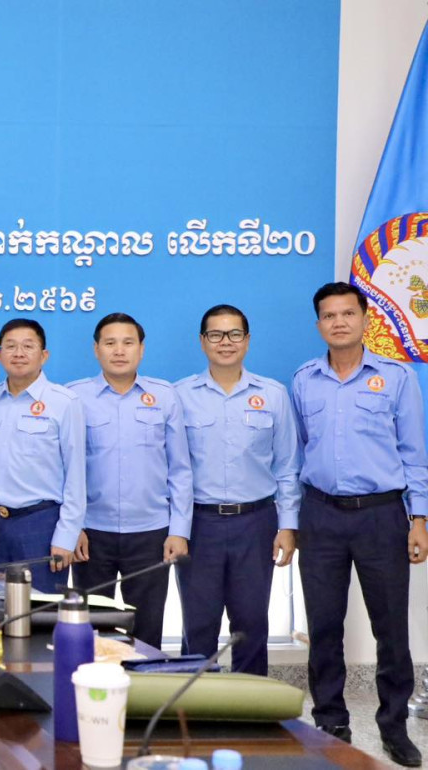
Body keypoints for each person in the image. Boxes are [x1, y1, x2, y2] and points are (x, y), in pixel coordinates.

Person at [291, 282, 427, 767]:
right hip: (320, 514)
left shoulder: (396, 377)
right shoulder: (304, 380)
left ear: (365, 319)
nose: (339, 322)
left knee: (390, 626)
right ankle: (331, 720)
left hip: (382, 515)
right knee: (324, 624)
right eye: (329, 316)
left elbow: (414, 453)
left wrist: (420, 518)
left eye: (348, 313)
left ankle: (393, 726)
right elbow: (299, 452)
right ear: (319, 325)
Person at [173, 304, 299, 676]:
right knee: (198, 623)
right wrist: (176, 529)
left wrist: (288, 525)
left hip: (256, 522)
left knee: (251, 623)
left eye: (234, 334)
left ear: (247, 340)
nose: (225, 342)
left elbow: (287, 467)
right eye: (215, 334)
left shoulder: (273, 394)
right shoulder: (180, 395)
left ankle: (250, 707)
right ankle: (194, 705)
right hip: (200, 524)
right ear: (202, 341)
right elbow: (174, 470)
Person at [67, 313, 192, 649]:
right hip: (91, 534)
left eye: (127, 342)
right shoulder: (74, 397)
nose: (119, 351)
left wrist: (179, 530)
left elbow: (180, 469)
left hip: (151, 532)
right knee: (90, 632)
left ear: (141, 349)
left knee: (146, 631)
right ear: (96, 349)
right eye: (110, 343)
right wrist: (72, 527)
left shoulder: (164, 396)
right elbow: (64, 470)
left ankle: (143, 684)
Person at [0, 318, 84, 592]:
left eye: (28, 346)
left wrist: (67, 535)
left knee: (41, 609)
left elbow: (76, 475)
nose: (19, 353)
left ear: (44, 355)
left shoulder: (64, 402)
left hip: (42, 524)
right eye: (10, 346)